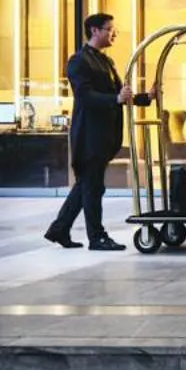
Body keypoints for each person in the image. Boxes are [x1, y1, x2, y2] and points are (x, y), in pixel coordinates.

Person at [44, 13, 137, 251]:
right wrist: (116, 98)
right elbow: (85, 96)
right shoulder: (78, 61)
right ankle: (97, 237)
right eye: (109, 29)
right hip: (89, 136)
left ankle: (59, 230)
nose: (113, 33)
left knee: (86, 185)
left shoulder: (106, 62)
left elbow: (120, 95)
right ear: (94, 31)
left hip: (104, 136)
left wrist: (146, 98)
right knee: (93, 187)